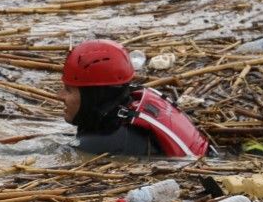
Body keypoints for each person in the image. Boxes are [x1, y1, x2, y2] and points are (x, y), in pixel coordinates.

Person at [61, 39, 211, 158]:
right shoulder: (131, 101)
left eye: (68, 90)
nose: (60, 96)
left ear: (92, 97)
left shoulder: (100, 144)